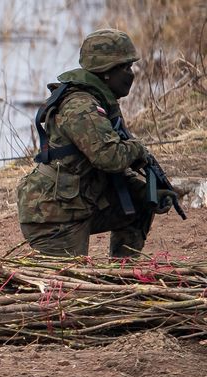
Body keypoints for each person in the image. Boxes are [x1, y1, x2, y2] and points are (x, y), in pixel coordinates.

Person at [17, 28, 178, 258]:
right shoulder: (81, 106)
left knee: (142, 201)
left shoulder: (101, 100)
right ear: (105, 71)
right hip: (52, 214)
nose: (131, 74)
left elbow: (111, 163)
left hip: (79, 202)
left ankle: (122, 272)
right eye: (125, 67)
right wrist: (139, 149)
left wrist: (149, 191)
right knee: (68, 286)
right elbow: (109, 157)